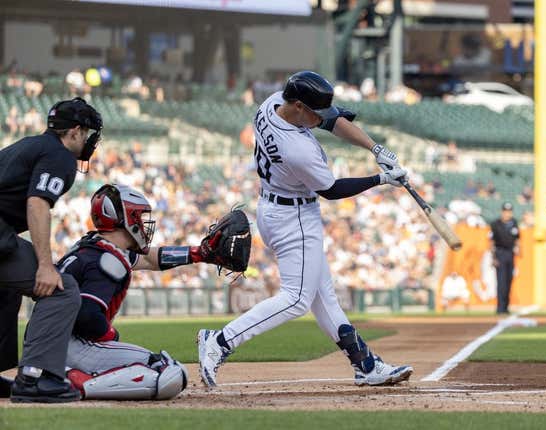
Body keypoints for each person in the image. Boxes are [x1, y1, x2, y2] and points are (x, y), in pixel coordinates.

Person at [198, 70, 413, 387]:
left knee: (324, 298)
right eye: (315, 112)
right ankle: (220, 341)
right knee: (297, 299)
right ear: (298, 105)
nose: (321, 119)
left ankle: (365, 365)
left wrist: (375, 149)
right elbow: (331, 190)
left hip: (276, 208)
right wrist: (381, 179)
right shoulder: (297, 149)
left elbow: (333, 119)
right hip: (293, 218)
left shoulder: (273, 104)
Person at [58, 184, 225, 400]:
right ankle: (79, 384)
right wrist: (109, 334)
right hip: (74, 345)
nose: (144, 224)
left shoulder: (90, 246)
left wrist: (199, 253)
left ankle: (61, 373)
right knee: (169, 371)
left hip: (49, 343)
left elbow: (149, 258)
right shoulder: (108, 260)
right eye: (139, 216)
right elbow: (88, 317)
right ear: (126, 218)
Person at [0, 97, 102, 402]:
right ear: (73, 132)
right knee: (61, 289)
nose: (88, 141)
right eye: (86, 134)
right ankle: (35, 378)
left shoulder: (29, 145)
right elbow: (37, 202)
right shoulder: (59, 156)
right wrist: (45, 264)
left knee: (5, 290)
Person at [489, 202, 520, 315]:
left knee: (509, 281)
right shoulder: (495, 224)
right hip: (500, 253)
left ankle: (506, 307)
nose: (508, 214)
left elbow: (517, 238)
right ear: (502, 212)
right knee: (501, 281)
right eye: (506, 211)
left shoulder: (514, 223)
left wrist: (518, 249)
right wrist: (493, 257)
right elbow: (491, 242)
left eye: (509, 211)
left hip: (510, 254)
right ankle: (500, 307)